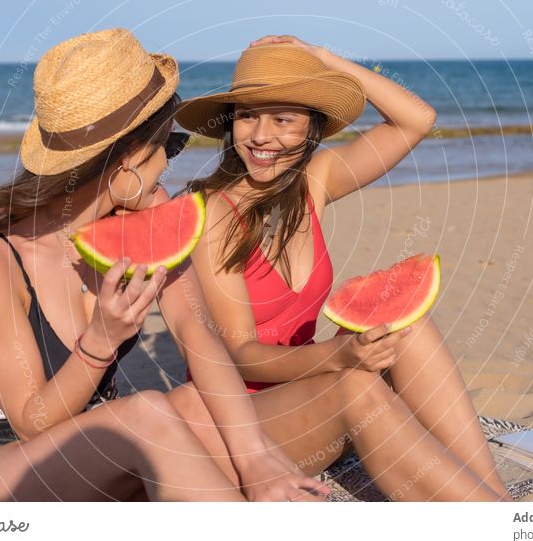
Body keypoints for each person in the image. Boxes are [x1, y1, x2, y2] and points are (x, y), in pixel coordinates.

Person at [0, 28, 329, 502]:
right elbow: (33, 423)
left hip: (98, 452)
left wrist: (255, 457)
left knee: (197, 403)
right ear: (130, 160)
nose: (168, 168)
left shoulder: (148, 212)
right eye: (169, 147)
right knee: (146, 412)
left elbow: (198, 336)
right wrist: (101, 339)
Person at [170, 35, 513, 501]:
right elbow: (240, 355)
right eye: (247, 116)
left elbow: (417, 120)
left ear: (311, 126)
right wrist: (341, 357)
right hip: (242, 421)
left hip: (311, 388)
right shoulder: (212, 212)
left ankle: (494, 500)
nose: (261, 136)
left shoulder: (314, 182)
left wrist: (326, 60)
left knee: (410, 327)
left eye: (283, 118)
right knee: (355, 387)